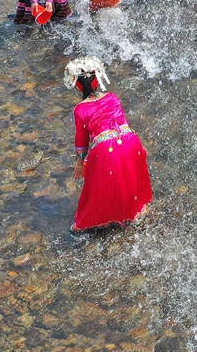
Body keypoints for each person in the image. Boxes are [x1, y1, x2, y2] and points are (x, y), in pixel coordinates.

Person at [65, 57, 153, 233]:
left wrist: (80, 162)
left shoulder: (80, 109)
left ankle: (87, 225)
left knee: (100, 187)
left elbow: (82, 142)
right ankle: (134, 212)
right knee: (127, 177)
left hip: (106, 147)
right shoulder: (113, 97)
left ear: (77, 85)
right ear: (99, 79)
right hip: (130, 141)